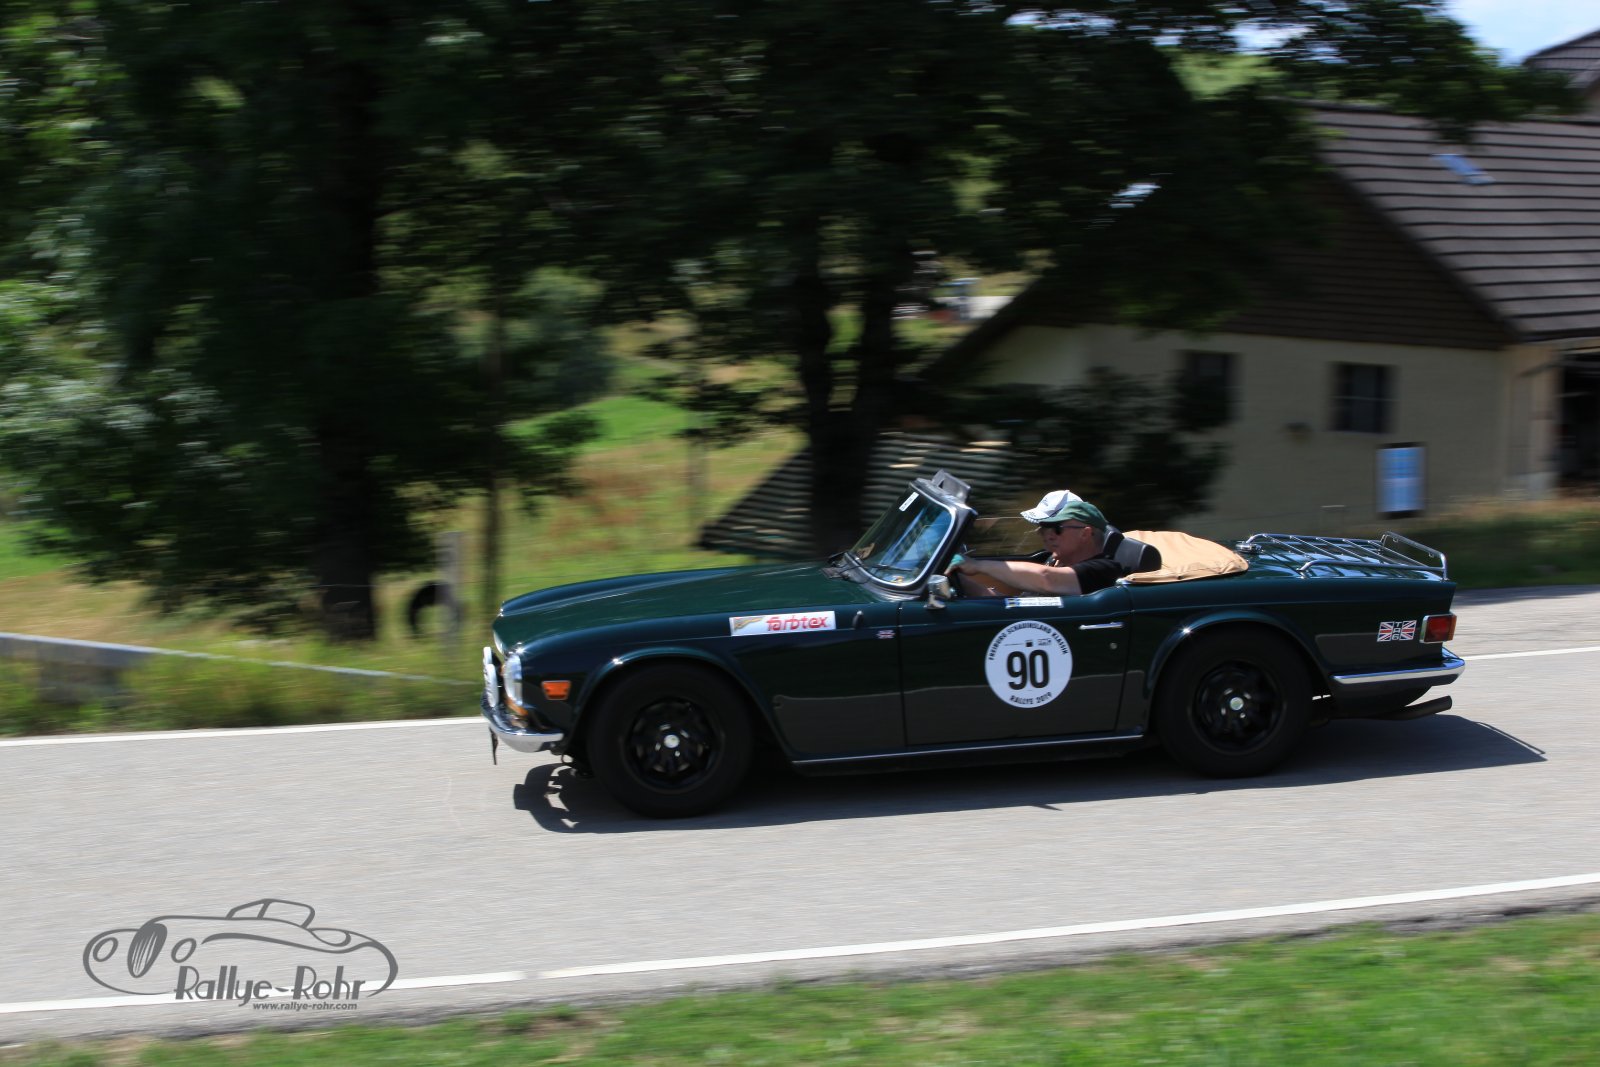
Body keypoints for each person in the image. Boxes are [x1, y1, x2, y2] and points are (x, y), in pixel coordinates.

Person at [949, 489, 1131, 597]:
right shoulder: (1053, 561)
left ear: (1085, 534)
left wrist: (978, 565)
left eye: (1056, 528)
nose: (1045, 535)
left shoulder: (1103, 570)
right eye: (1042, 528)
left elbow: (1047, 578)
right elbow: (1015, 607)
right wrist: (960, 581)